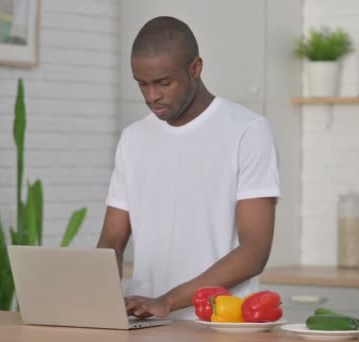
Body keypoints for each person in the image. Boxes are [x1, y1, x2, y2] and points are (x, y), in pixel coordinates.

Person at [96, 16, 280, 320]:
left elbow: (255, 251)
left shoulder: (247, 131)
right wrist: (95, 295)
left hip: (220, 323)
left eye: (163, 83)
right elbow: (112, 239)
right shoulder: (133, 139)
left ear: (195, 69)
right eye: (142, 84)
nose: (151, 96)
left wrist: (168, 301)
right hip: (146, 322)